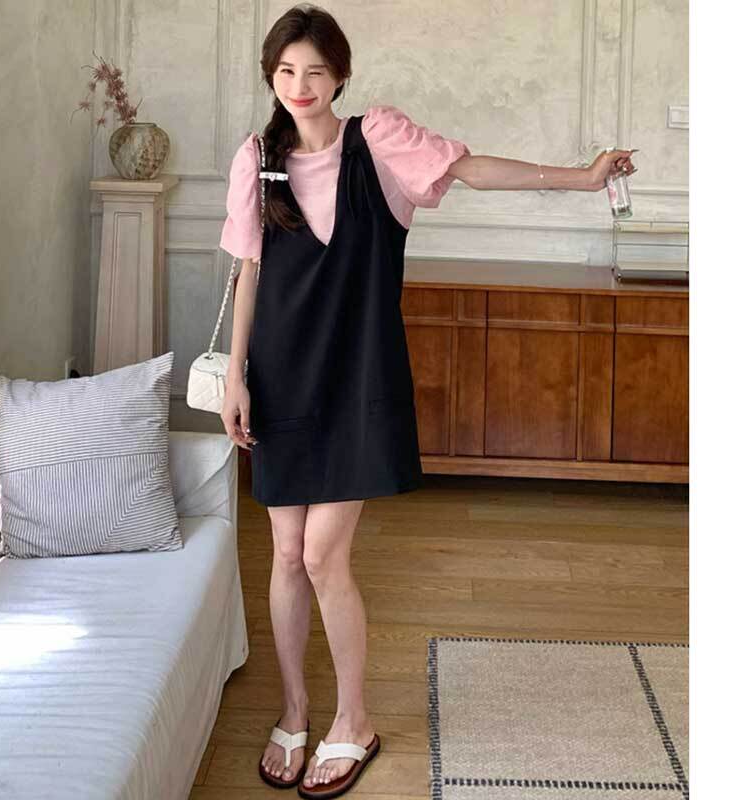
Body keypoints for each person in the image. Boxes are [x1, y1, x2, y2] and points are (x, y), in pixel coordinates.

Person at [218, 5, 637, 797]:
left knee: (322, 555)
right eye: (285, 71)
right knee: (284, 554)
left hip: (357, 377)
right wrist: (236, 376)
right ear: (271, 77)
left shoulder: (378, 140)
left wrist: (580, 178)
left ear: (340, 76)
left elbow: (471, 169)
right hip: (281, 375)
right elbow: (250, 271)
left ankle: (355, 720)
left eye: (315, 71)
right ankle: (296, 709)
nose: (300, 86)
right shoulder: (257, 157)